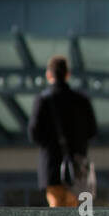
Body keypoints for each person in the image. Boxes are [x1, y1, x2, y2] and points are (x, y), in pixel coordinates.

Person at [28, 55, 98, 207]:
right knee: (77, 215)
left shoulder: (43, 100)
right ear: (67, 74)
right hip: (78, 168)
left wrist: (51, 144)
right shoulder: (81, 100)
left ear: (49, 75)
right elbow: (92, 131)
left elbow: (34, 133)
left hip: (52, 168)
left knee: (57, 214)